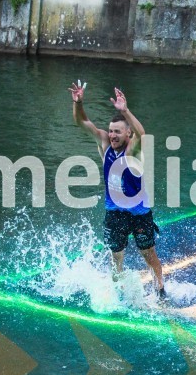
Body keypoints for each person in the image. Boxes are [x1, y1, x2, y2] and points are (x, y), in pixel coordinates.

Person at [68, 81, 166, 303]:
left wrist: (125, 110)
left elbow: (142, 134)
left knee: (148, 255)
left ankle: (160, 291)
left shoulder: (133, 149)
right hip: (114, 212)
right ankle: (118, 292)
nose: (112, 135)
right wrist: (79, 103)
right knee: (116, 256)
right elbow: (82, 122)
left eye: (117, 132)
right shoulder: (104, 144)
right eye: (111, 131)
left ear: (127, 133)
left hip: (139, 213)